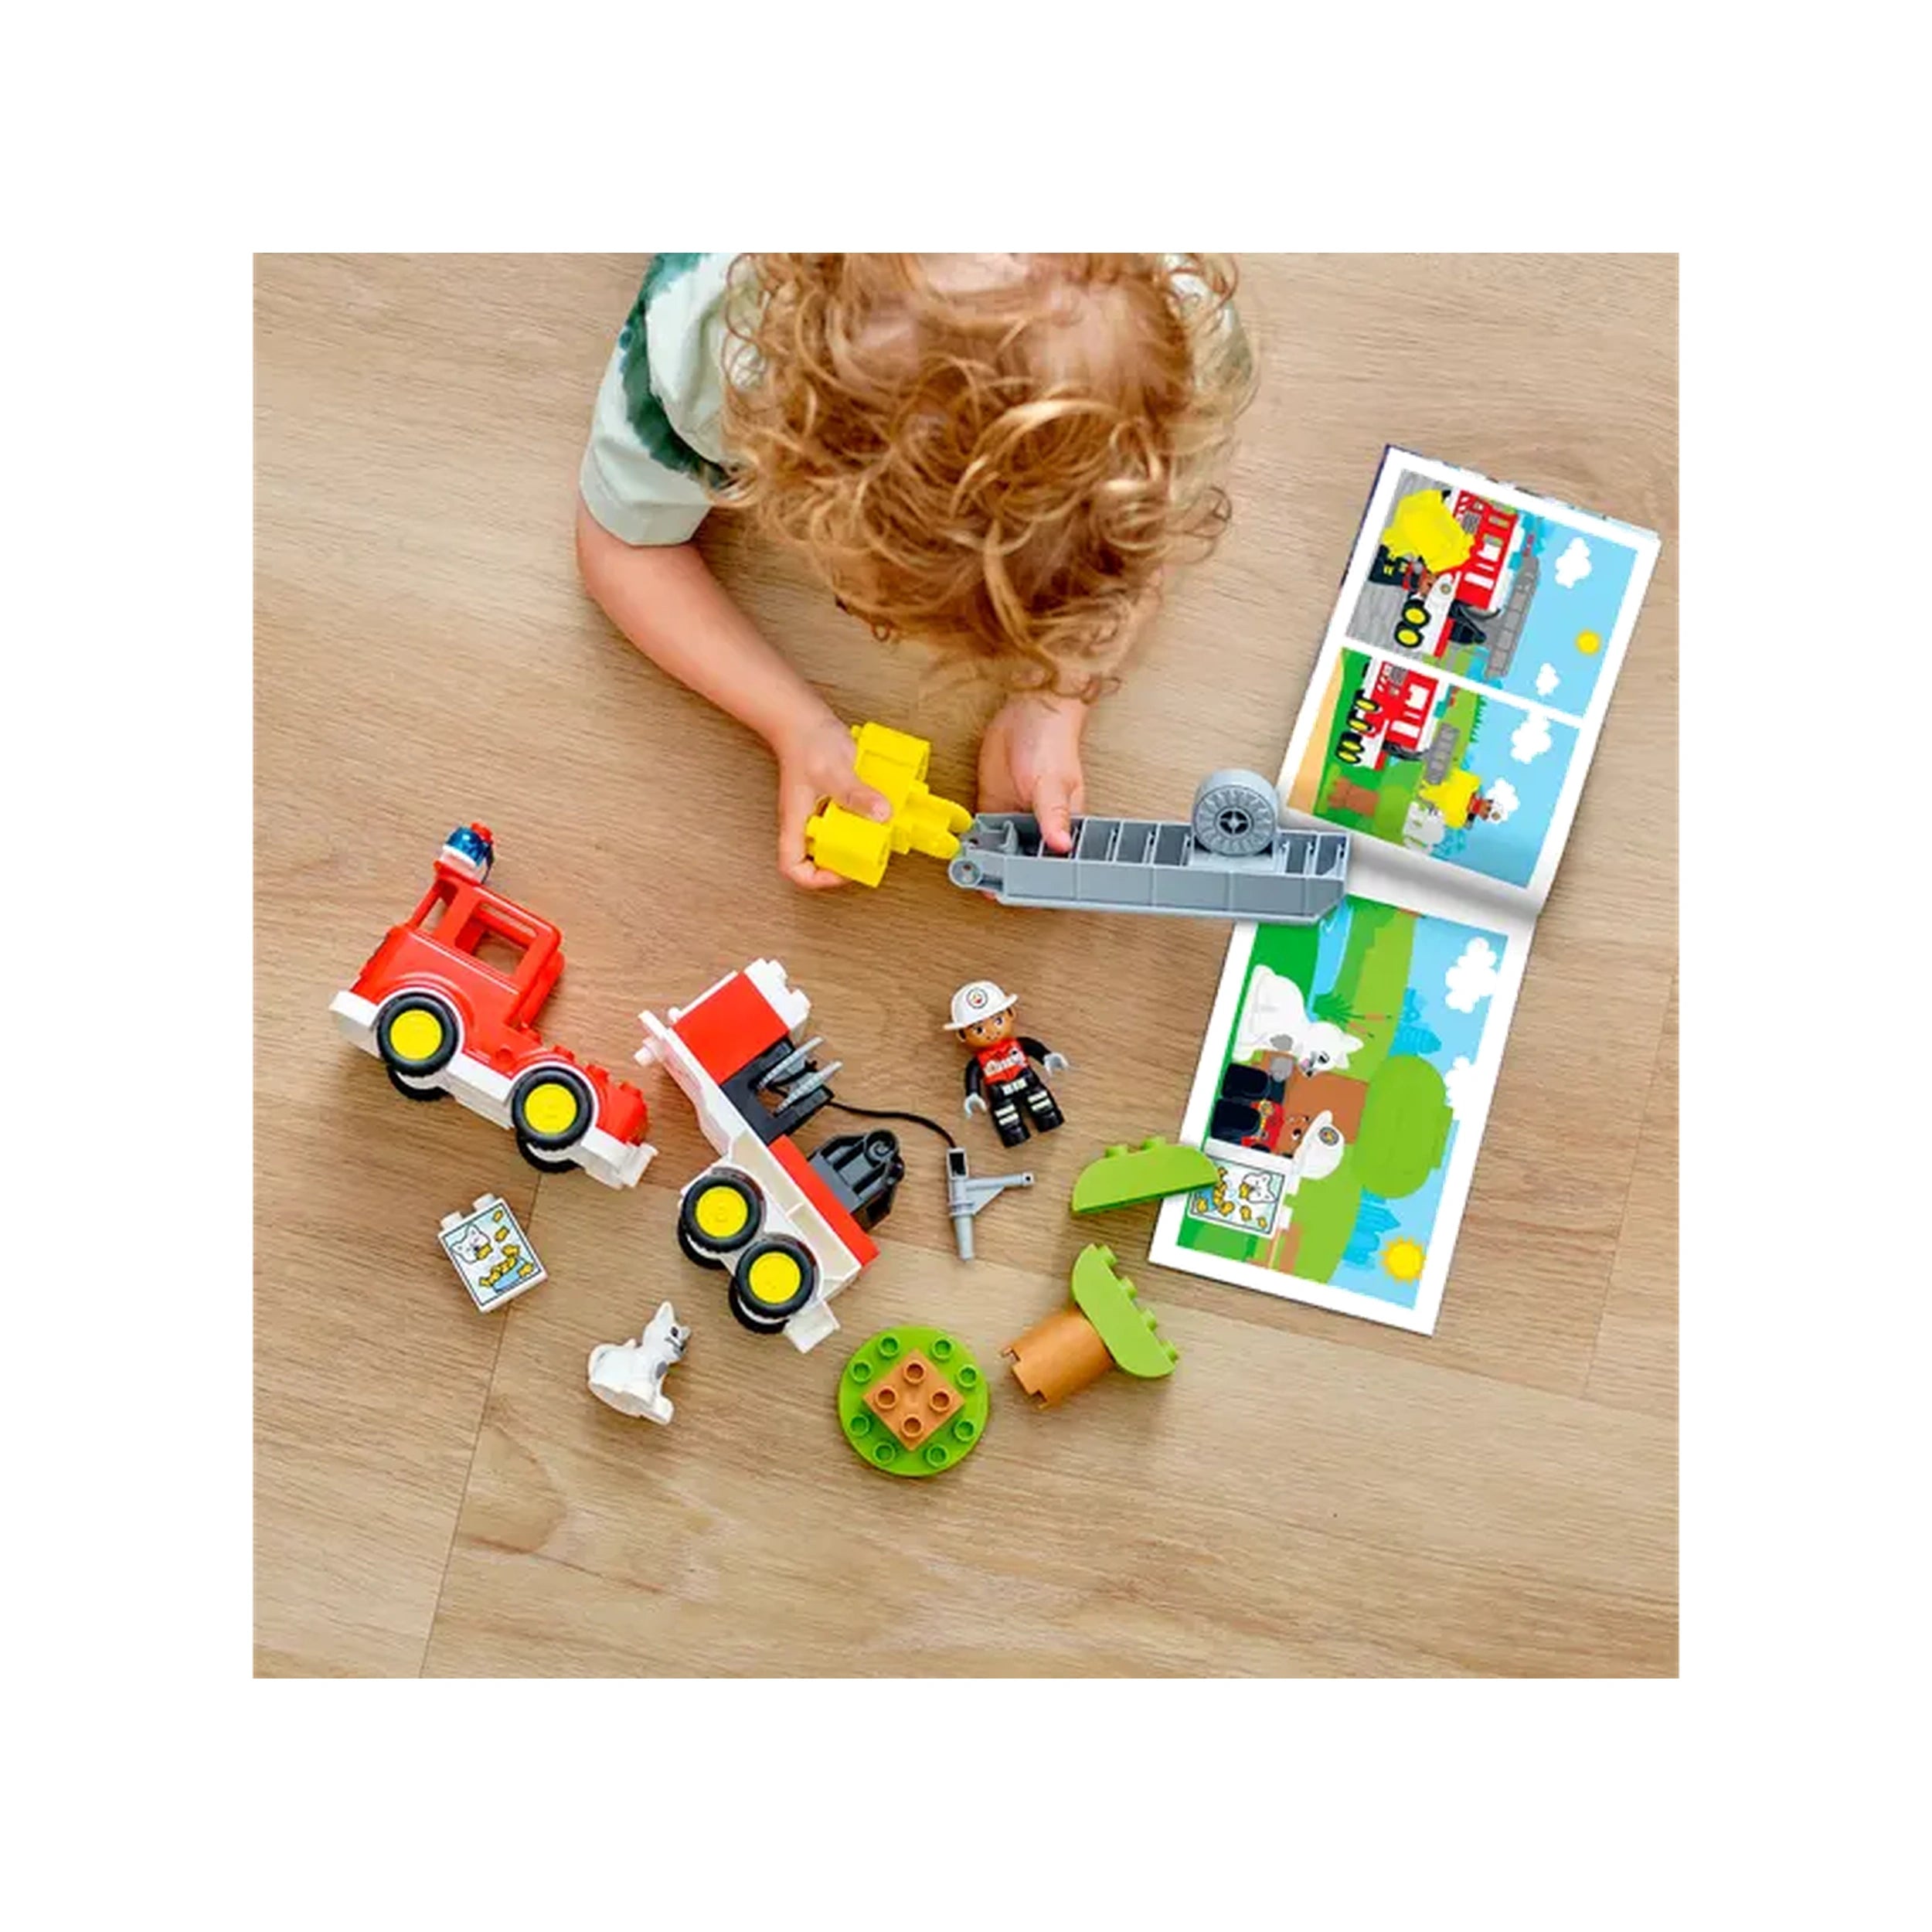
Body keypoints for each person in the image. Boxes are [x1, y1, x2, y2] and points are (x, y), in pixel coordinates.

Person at [575, 253, 1251, 887]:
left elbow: (1138, 535)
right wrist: (793, 721)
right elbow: (625, 548)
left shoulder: (1180, 334)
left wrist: (1055, 700)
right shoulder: (704, 347)